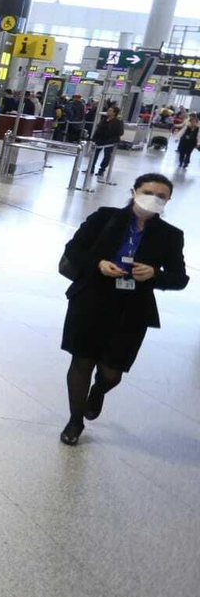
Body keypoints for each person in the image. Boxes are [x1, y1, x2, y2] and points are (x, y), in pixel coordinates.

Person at [58, 173, 188, 446]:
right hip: (91, 298)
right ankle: (75, 420)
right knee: (82, 361)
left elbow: (179, 278)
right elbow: (74, 250)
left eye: (161, 196)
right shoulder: (104, 217)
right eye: (148, 192)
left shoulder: (171, 235)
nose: (153, 199)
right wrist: (98, 264)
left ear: (168, 201)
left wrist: (154, 274)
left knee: (112, 372)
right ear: (134, 191)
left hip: (133, 308)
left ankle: (99, 391)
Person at [92, 104, 125, 179]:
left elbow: (120, 132)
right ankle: (91, 168)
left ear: (114, 113)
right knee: (94, 154)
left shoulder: (118, 122)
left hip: (110, 141)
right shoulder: (104, 119)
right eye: (108, 110)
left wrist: (112, 134)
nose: (108, 112)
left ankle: (101, 170)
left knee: (107, 156)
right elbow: (98, 129)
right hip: (100, 140)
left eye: (110, 111)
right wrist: (94, 138)